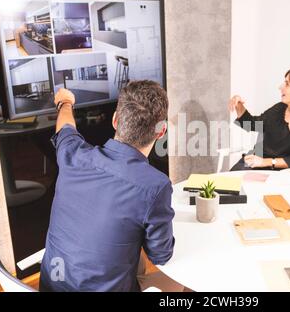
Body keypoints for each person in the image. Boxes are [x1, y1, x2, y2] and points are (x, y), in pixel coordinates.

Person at [40, 81, 183, 292]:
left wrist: (65, 101)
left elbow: (65, 127)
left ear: (115, 121)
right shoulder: (155, 186)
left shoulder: (73, 155)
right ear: (161, 132)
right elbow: (160, 255)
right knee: (179, 283)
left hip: (52, 285)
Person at [228, 67, 290, 171]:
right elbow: (251, 124)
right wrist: (238, 104)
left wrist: (266, 162)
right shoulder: (279, 108)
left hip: (285, 172)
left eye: (287, 84)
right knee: (227, 183)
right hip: (256, 163)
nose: (280, 87)